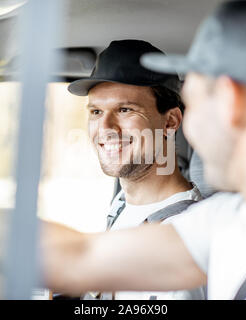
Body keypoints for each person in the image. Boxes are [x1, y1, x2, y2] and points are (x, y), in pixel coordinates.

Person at [40, 1, 246, 299]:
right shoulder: (233, 217)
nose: (192, 130)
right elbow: (78, 257)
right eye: (95, 112)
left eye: (195, 101)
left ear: (230, 100)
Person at [66, 39, 204, 300]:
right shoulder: (121, 205)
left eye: (125, 109)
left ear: (170, 121)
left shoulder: (184, 236)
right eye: (96, 111)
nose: (105, 127)